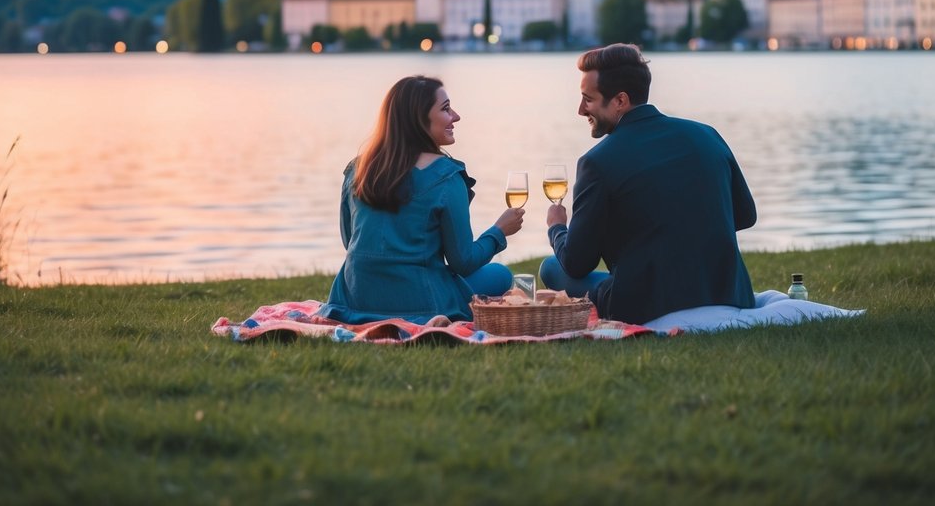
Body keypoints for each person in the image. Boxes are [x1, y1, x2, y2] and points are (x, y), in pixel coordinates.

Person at [540, 43, 756, 324]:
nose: (581, 110)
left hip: (649, 303)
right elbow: (746, 216)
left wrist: (556, 227)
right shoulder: (707, 135)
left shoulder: (597, 162)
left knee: (551, 269)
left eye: (588, 99)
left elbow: (576, 263)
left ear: (620, 100)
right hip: (727, 292)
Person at [318, 75, 523, 324]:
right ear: (419, 119)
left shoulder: (358, 170)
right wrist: (499, 231)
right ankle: (433, 317)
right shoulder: (446, 176)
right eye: (446, 109)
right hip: (421, 302)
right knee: (500, 275)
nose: (456, 116)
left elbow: (350, 240)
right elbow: (463, 261)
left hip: (353, 299)